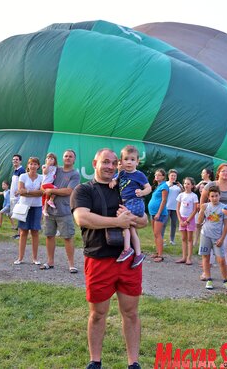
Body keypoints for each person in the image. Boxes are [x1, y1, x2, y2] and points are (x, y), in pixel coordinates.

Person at [71, 148, 148, 369]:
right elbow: (82, 218)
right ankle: (95, 361)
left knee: (131, 313)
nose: (110, 166)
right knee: (97, 314)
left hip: (129, 262)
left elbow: (144, 222)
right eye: (106, 162)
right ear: (95, 162)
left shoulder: (124, 186)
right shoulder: (83, 190)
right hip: (99, 259)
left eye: (114, 163)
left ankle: (133, 363)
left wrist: (130, 218)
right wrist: (118, 222)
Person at [110, 145, 151, 268]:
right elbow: (115, 180)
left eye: (132, 159)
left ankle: (127, 249)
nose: (129, 162)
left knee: (125, 223)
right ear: (121, 161)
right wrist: (113, 181)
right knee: (132, 228)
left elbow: (148, 187)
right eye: (126, 159)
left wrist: (142, 192)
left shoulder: (139, 175)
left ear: (137, 162)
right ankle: (138, 254)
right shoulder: (122, 174)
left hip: (135, 202)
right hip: (127, 202)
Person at [41, 149, 80, 273]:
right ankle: (50, 261)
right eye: (66, 156)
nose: (68, 158)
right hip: (49, 211)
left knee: (68, 237)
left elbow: (68, 191)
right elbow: (45, 177)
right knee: (49, 235)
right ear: (62, 158)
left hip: (64, 210)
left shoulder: (75, 174)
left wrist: (51, 191)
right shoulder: (55, 170)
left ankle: (71, 264)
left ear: (74, 159)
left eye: (70, 156)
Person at [200, 164, 227, 273]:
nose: (225, 173)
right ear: (218, 173)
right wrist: (202, 215)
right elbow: (202, 201)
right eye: (223, 171)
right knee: (209, 247)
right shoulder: (211, 185)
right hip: (212, 219)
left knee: (226, 245)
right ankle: (206, 272)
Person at [197, 186, 227, 290]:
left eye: (216, 196)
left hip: (217, 237)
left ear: (220, 196)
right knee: (205, 257)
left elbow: (226, 225)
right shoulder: (206, 206)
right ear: (209, 197)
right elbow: (199, 222)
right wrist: (201, 211)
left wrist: (222, 238)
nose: (214, 198)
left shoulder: (224, 208)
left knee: (221, 259)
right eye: (212, 196)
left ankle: (225, 280)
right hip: (205, 234)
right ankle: (208, 279)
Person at [13, 157, 43, 265]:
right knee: (23, 232)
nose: (33, 166)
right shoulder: (23, 176)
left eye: (35, 164)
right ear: (28, 165)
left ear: (38, 166)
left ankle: (35, 258)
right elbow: (20, 192)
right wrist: (34, 192)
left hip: (37, 206)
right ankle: (20, 258)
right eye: (31, 164)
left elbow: (42, 193)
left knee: (35, 232)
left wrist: (28, 191)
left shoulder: (41, 177)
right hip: (24, 207)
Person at [176, 177, 198, 265]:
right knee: (183, 238)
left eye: (188, 184)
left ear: (192, 186)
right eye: (185, 183)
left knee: (189, 239)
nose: (186, 185)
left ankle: (189, 258)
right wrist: (180, 220)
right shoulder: (181, 195)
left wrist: (188, 221)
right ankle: (184, 257)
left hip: (190, 219)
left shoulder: (194, 196)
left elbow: (195, 209)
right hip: (182, 219)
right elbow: (177, 209)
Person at [148, 169, 169, 262]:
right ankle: (157, 252)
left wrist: (158, 213)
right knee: (155, 234)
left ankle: (160, 255)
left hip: (159, 214)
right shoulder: (158, 186)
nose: (156, 176)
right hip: (153, 213)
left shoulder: (164, 186)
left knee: (158, 234)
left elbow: (164, 200)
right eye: (156, 175)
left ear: (163, 177)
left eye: (159, 175)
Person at [161, 169, 182, 246]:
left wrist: (180, 187)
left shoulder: (179, 185)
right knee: (164, 223)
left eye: (175, 176)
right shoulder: (165, 184)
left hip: (175, 208)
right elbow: (161, 193)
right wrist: (169, 186)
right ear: (169, 176)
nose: (173, 177)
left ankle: (172, 240)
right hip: (166, 207)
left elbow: (183, 194)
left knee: (174, 224)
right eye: (172, 175)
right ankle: (161, 240)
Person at [10, 154, 26, 239]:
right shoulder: (15, 170)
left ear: (20, 161)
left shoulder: (22, 170)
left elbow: (23, 183)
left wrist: (19, 191)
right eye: (13, 159)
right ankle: (19, 233)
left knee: (20, 215)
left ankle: (20, 234)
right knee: (16, 215)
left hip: (19, 197)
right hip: (13, 197)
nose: (15, 161)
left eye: (16, 159)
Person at [41, 152, 58, 216]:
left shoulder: (55, 167)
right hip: (45, 184)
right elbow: (45, 172)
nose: (50, 160)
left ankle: (45, 210)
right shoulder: (44, 166)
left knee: (46, 198)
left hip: (49, 184)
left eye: (52, 159)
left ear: (55, 161)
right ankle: (51, 200)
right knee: (56, 189)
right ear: (46, 160)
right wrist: (48, 165)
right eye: (48, 158)